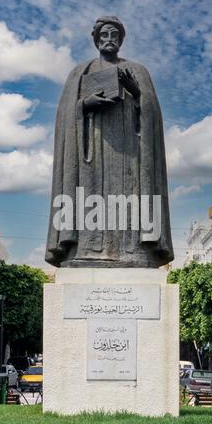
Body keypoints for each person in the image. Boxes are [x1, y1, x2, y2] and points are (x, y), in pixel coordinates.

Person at [46, 16, 173, 268]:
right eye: (104, 35)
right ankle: (87, 250)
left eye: (114, 35)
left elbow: (153, 115)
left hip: (130, 154)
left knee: (130, 197)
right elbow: (65, 115)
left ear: (121, 40)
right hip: (91, 153)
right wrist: (85, 104)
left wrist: (137, 92)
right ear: (96, 39)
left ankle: (134, 252)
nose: (109, 40)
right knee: (89, 197)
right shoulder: (80, 72)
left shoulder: (137, 70)